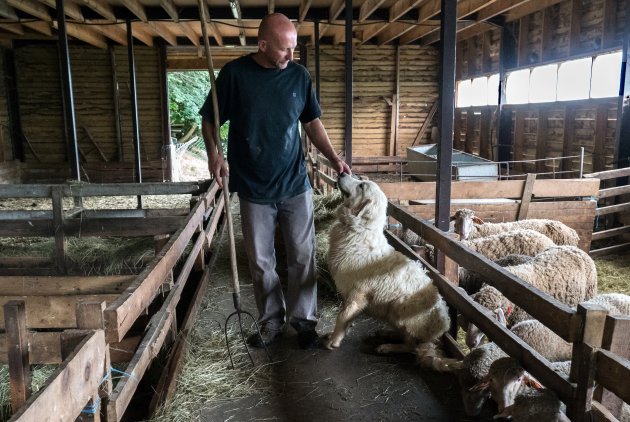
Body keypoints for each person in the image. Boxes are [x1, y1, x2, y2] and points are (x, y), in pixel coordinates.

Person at [199, 13, 350, 350]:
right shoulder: (235, 76)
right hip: (253, 188)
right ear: (263, 45)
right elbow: (209, 119)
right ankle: (271, 322)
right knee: (262, 261)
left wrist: (333, 157)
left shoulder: (298, 76)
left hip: (294, 183)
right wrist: (214, 155)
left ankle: (305, 322)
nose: (291, 57)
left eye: (294, 49)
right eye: (284, 50)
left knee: (302, 256)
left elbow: (312, 122)